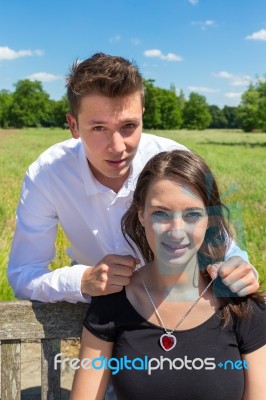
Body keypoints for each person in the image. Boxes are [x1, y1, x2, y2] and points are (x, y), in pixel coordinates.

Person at [8, 52, 258, 304]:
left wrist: (239, 269)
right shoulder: (47, 174)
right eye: (98, 128)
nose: (117, 147)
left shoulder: (174, 160)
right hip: (101, 313)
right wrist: (82, 280)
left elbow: (226, 250)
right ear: (73, 125)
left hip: (177, 303)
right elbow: (23, 275)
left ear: (142, 117)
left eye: (129, 126)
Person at [70, 150, 266, 400]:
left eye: (192, 215)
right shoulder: (112, 302)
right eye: (161, 213)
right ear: (141, 214)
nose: (176, 231)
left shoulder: (241, 307)